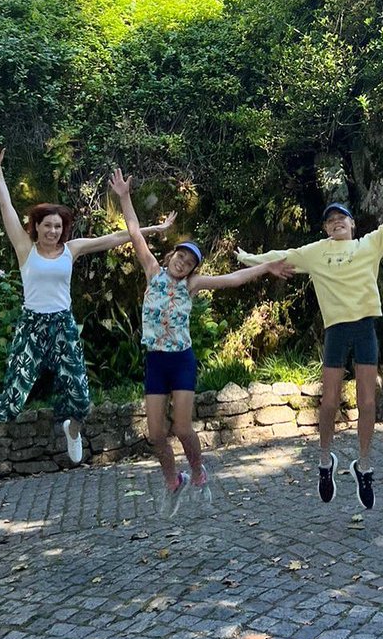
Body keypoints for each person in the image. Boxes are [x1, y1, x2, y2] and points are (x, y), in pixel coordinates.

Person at [235, 170, 383, 511]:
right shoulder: (316, 252)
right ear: (325, 229)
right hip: (336, 331)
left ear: (352, 224)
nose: (336, 223)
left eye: (341, 218)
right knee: (329, 402)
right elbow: (280, 255)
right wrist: (247, 258)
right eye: (330, 220)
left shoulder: (369, 244)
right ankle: (324, 461)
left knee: (368, 402)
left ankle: (364, 465)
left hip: (364, 328)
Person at [0, 142, 174, 461]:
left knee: (81, 400)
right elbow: (6, 207)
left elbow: (116, 238)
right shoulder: (25, 248)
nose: (53, 231)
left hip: (62, 325)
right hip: (32, 326)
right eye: (48, 226)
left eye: (58, 226)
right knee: (13, 399)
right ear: (37, 227)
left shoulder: (72, 249)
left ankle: (72, 430)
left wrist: (154, 228)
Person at [108, 168, 292, 517]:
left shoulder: (191, 286)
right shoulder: (152, 272)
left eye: (190, 262)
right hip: (155, 361)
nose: (183, 263)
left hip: (181, 360)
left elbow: (233, 279)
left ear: (193, 270)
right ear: (172, 256)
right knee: (156, 434)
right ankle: (172, 481)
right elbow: (134, 232)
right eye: (181, 256)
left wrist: (266, 267)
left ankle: (198, 473)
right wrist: (125, 196)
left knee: (181, 427)